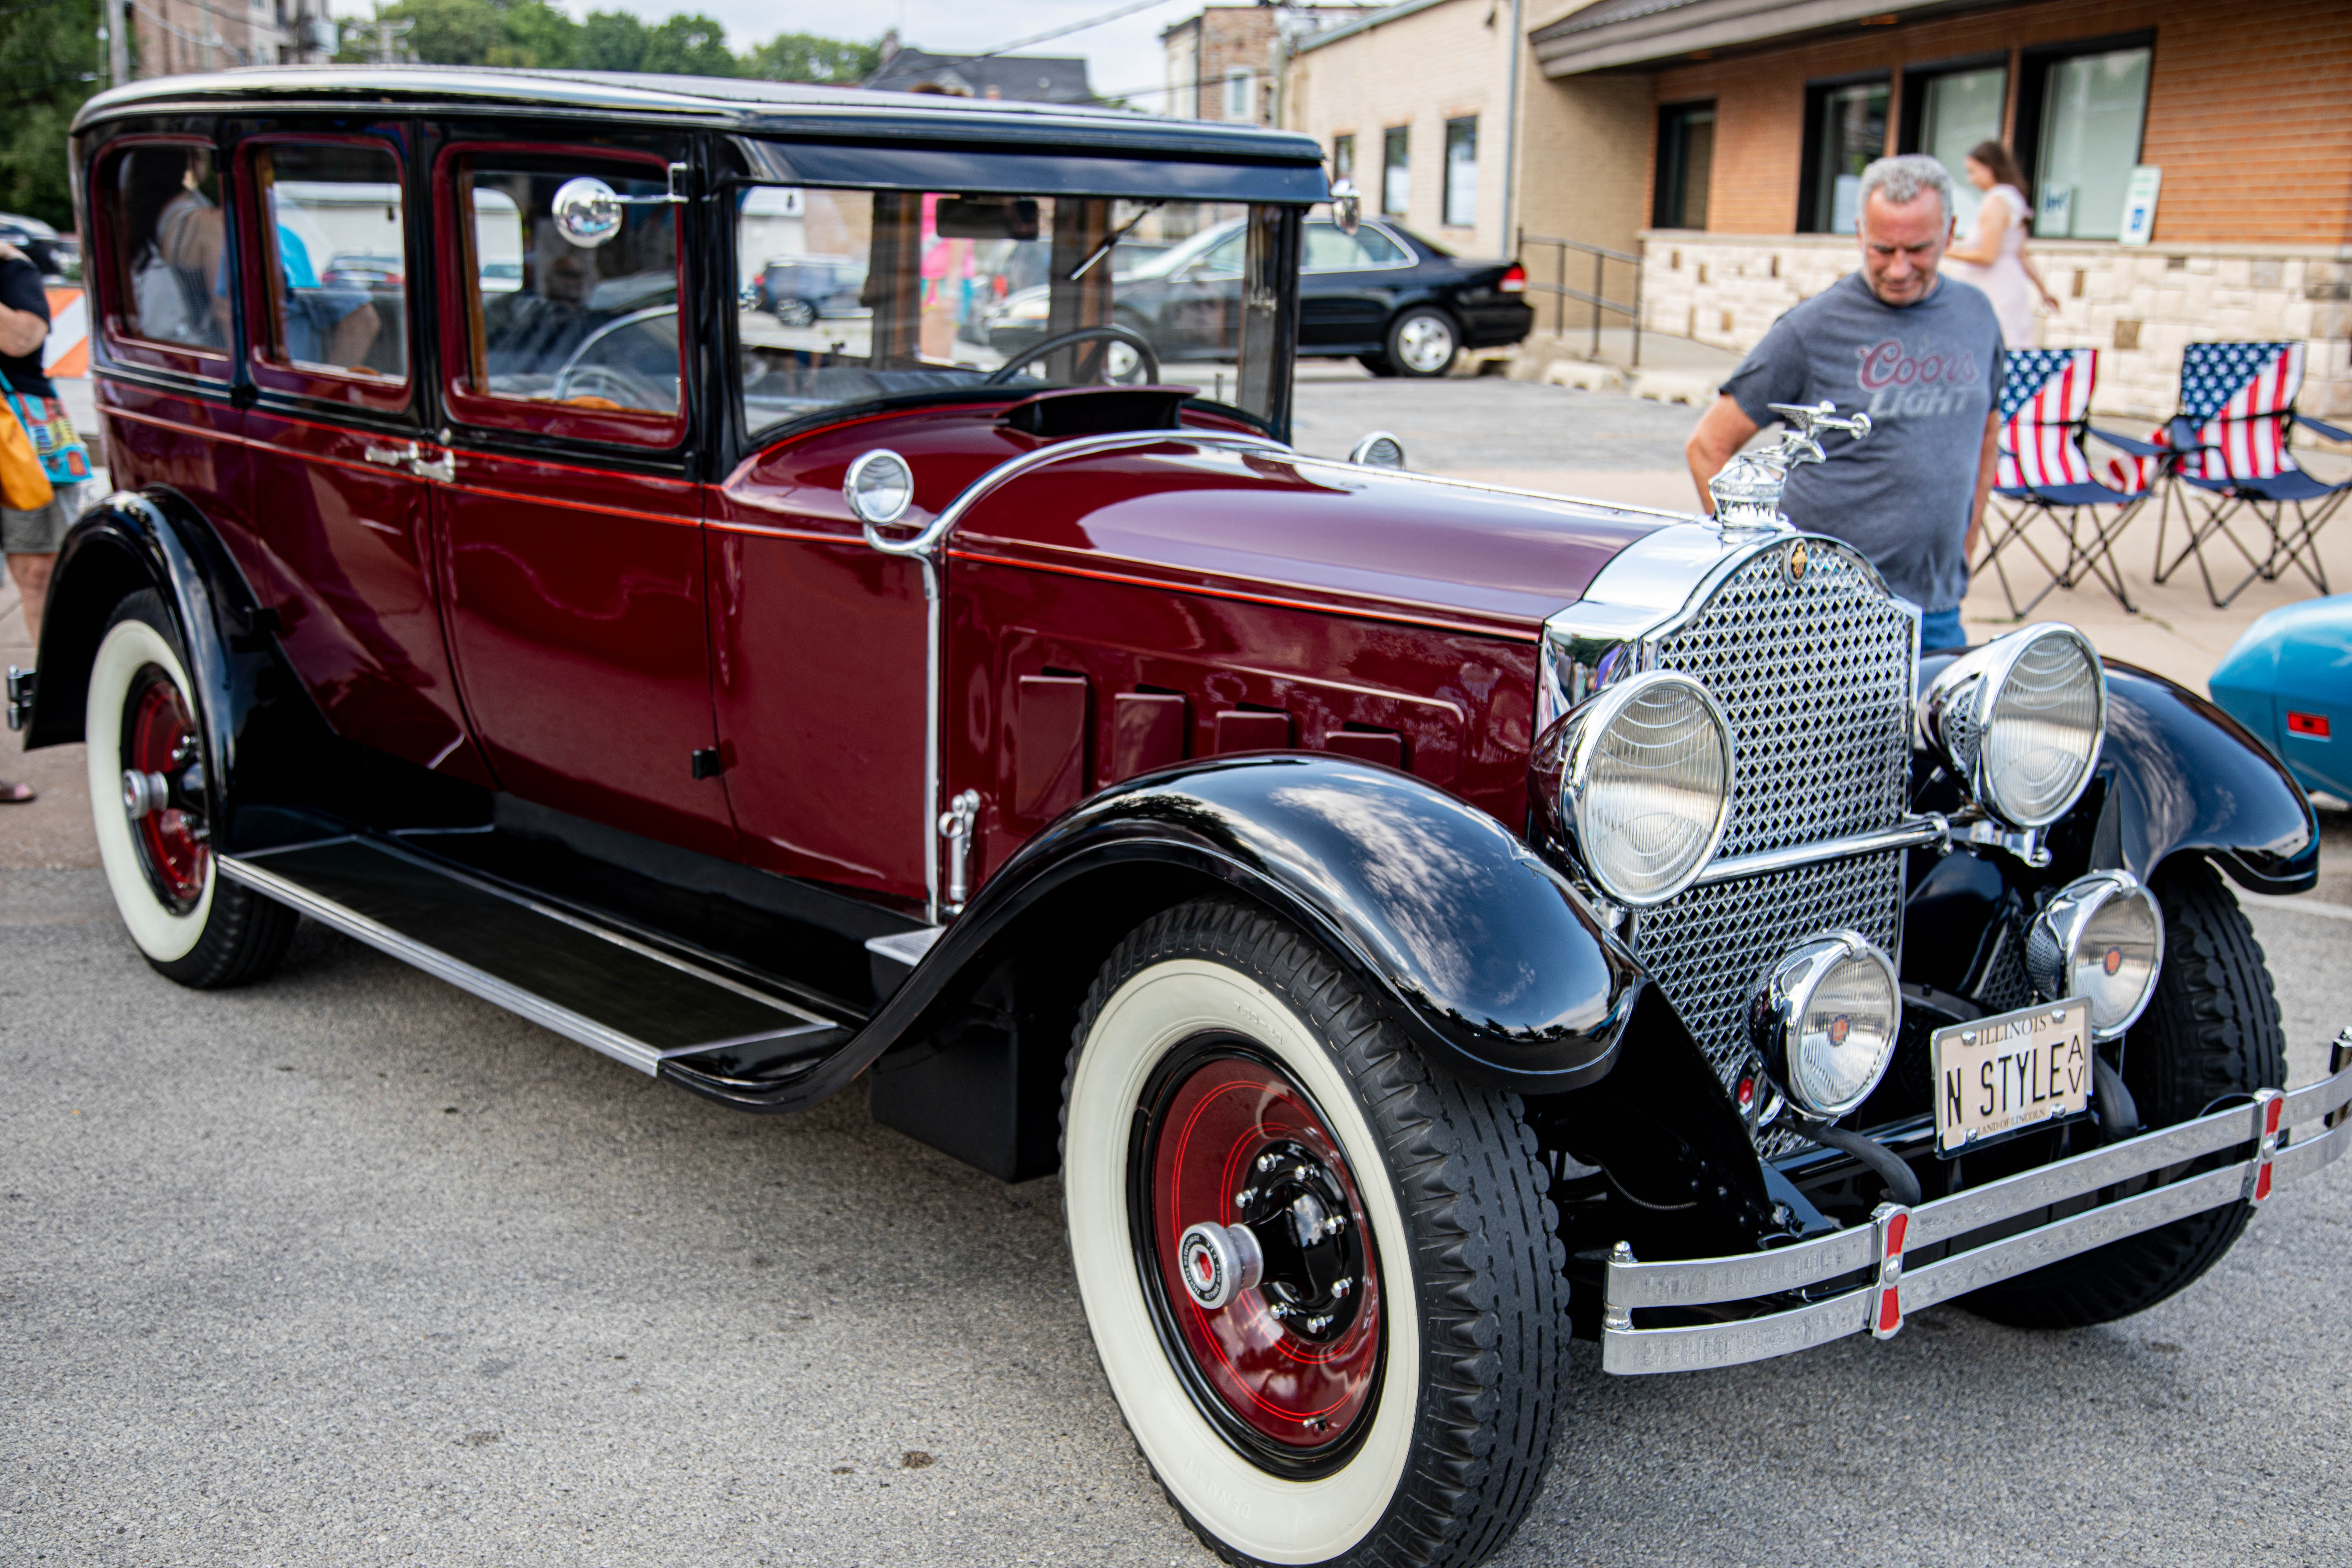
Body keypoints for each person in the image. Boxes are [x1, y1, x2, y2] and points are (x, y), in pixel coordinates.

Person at [1685, 154, 2003, 653]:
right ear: (1859, 234)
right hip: (1826, 618)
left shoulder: (1976, 315)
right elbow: (1708, 446)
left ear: (1950, 232)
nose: (1899, 268)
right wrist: (1761, 574)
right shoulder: (1811, 328)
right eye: (1883, 249)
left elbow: (1986, 431)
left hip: (1938, 612)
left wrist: (1966, 545)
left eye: (1918, 249)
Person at [1, 237, 75, 804]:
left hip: (22, 440)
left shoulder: (14, 269)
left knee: (40, 574)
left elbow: (21, 338)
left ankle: (62, 703)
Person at [1939, 140, 2060, 349]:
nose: (1970, 179)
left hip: (1994, 289)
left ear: (1989, 168)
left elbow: (1988, 256)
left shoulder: (1996, 202)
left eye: (1973, 172)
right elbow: (2022, 255)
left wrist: (1943, 251)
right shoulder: (2014, 199)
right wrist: (2044, 291)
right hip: (2010, 285)